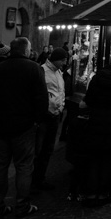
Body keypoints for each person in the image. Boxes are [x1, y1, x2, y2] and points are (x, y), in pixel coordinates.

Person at [0, 37, 48, 218]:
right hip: (23, 126)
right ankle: (22, 205)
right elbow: (42, 99)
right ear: (26, 51)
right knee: (24, 167)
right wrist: (37, 120)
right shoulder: (34, 69)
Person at [77, 50, 111, 207]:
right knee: (108, 159)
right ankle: (103, 194)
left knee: (94, 159)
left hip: (96, 123)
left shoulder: (97, 77)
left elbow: (89, 99)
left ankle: (91, 193)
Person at [32, 47, 68, 191]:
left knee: (48, 150)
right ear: (58, 59)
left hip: (55, 116)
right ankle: (33, 181)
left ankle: (40, 178)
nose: (64, 64)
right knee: (38, 150)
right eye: (63, 61)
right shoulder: (42, 71)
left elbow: (60, 91)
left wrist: (60, 106)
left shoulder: (59, 72)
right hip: (44, 117)